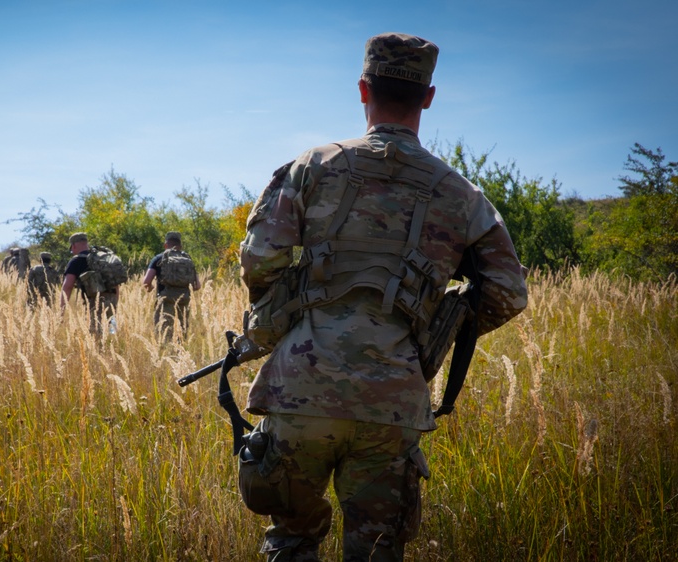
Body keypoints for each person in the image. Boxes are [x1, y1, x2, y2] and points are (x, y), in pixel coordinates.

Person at [237, 33, 529, 561]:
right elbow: (508, 292)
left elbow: (260, 259)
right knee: (375, 550)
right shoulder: (460, 193)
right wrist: (432, 328)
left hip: (300, 389)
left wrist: (283, 317)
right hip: (392, 399)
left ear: (363, 89)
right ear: (430, 97)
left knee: (291, 542)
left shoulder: (313, 166)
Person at [142, 231, 200, 339]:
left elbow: (146, 281)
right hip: (184, 301)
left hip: (166, 301)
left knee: (164, 334)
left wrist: (150, 288)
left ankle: (166, 354)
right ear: (180, 246)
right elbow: (197, 286)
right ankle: (180, 355)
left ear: (165, 245)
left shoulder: (159, 258)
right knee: (181, 335)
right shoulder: (188, 259)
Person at [61, 232, 119, 335]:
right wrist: (115, 304)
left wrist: (61, 310)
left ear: (73, 246)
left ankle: (100, 350)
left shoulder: (76, 261)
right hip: (111, 302)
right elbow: (116, 284)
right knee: (112, 334)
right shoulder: (103, 258)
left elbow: (68, 286)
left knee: (95, 337)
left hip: (93, 304)